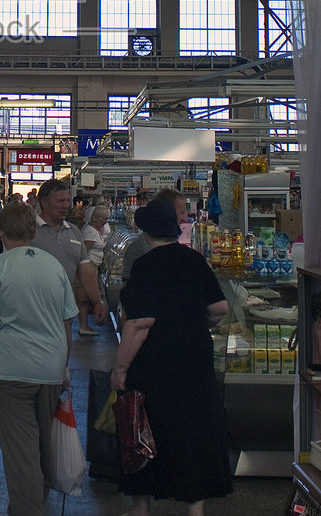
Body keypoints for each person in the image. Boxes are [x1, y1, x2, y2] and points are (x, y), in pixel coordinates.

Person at [109, 199, 232, 516]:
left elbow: (138, 325)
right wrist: (190, 322)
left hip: (155, 363)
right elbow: (219, 309)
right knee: (194, 429)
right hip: (195, 361)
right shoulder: (194, 259)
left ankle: (141, 507)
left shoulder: (145, 266)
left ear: (147, 232)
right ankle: (195, 507)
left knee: (145, 428)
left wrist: (120, 370)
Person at [0, 202, 76, 516]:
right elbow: (67, 325)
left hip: (10, 373)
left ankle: (28, 510)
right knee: (45, 449)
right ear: (33, 231)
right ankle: (33, 504)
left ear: (1, 232)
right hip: (50, 371)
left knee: (21, 454)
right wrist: (62, 366)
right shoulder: (54, 267)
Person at [31, 179, 104, 334]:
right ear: (44, 202)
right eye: (60, 201)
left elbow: (85, 271)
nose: (66, 206)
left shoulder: (74, 232)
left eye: (67, 201)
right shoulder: (29, 231)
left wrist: (97, 301)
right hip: (32, 311)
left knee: (63, 352)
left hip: (64, 311)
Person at [120, 188, 187, 284]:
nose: (186, 218)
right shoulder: (139, 248)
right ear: (168, 212)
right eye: (182, 212)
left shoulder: (175, 246)